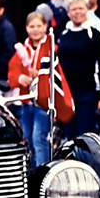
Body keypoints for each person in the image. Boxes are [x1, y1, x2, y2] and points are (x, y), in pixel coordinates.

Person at [7, 11, 74, 166]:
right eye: (32, 26)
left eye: (39, 26)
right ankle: (29, 169)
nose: (35, 29)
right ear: (26, 28)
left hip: (43, 101)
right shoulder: (22, 48)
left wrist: (42, 75)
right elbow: (12, 70)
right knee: (28, 138)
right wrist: (19, 79)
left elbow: (58, 72)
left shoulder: (51, 47)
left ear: (45, 26)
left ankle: (43, 169)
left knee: (39, 137)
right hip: (26, 101)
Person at [57, 0, 100, 136]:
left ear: (87, 9)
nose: (77, 12)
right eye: (74, 9)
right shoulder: (63, 34)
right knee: (70, 135)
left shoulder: (95, 33)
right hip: (67, 94)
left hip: (88, 93)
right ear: (68, 12)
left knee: (85, 135)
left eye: (81, 8)